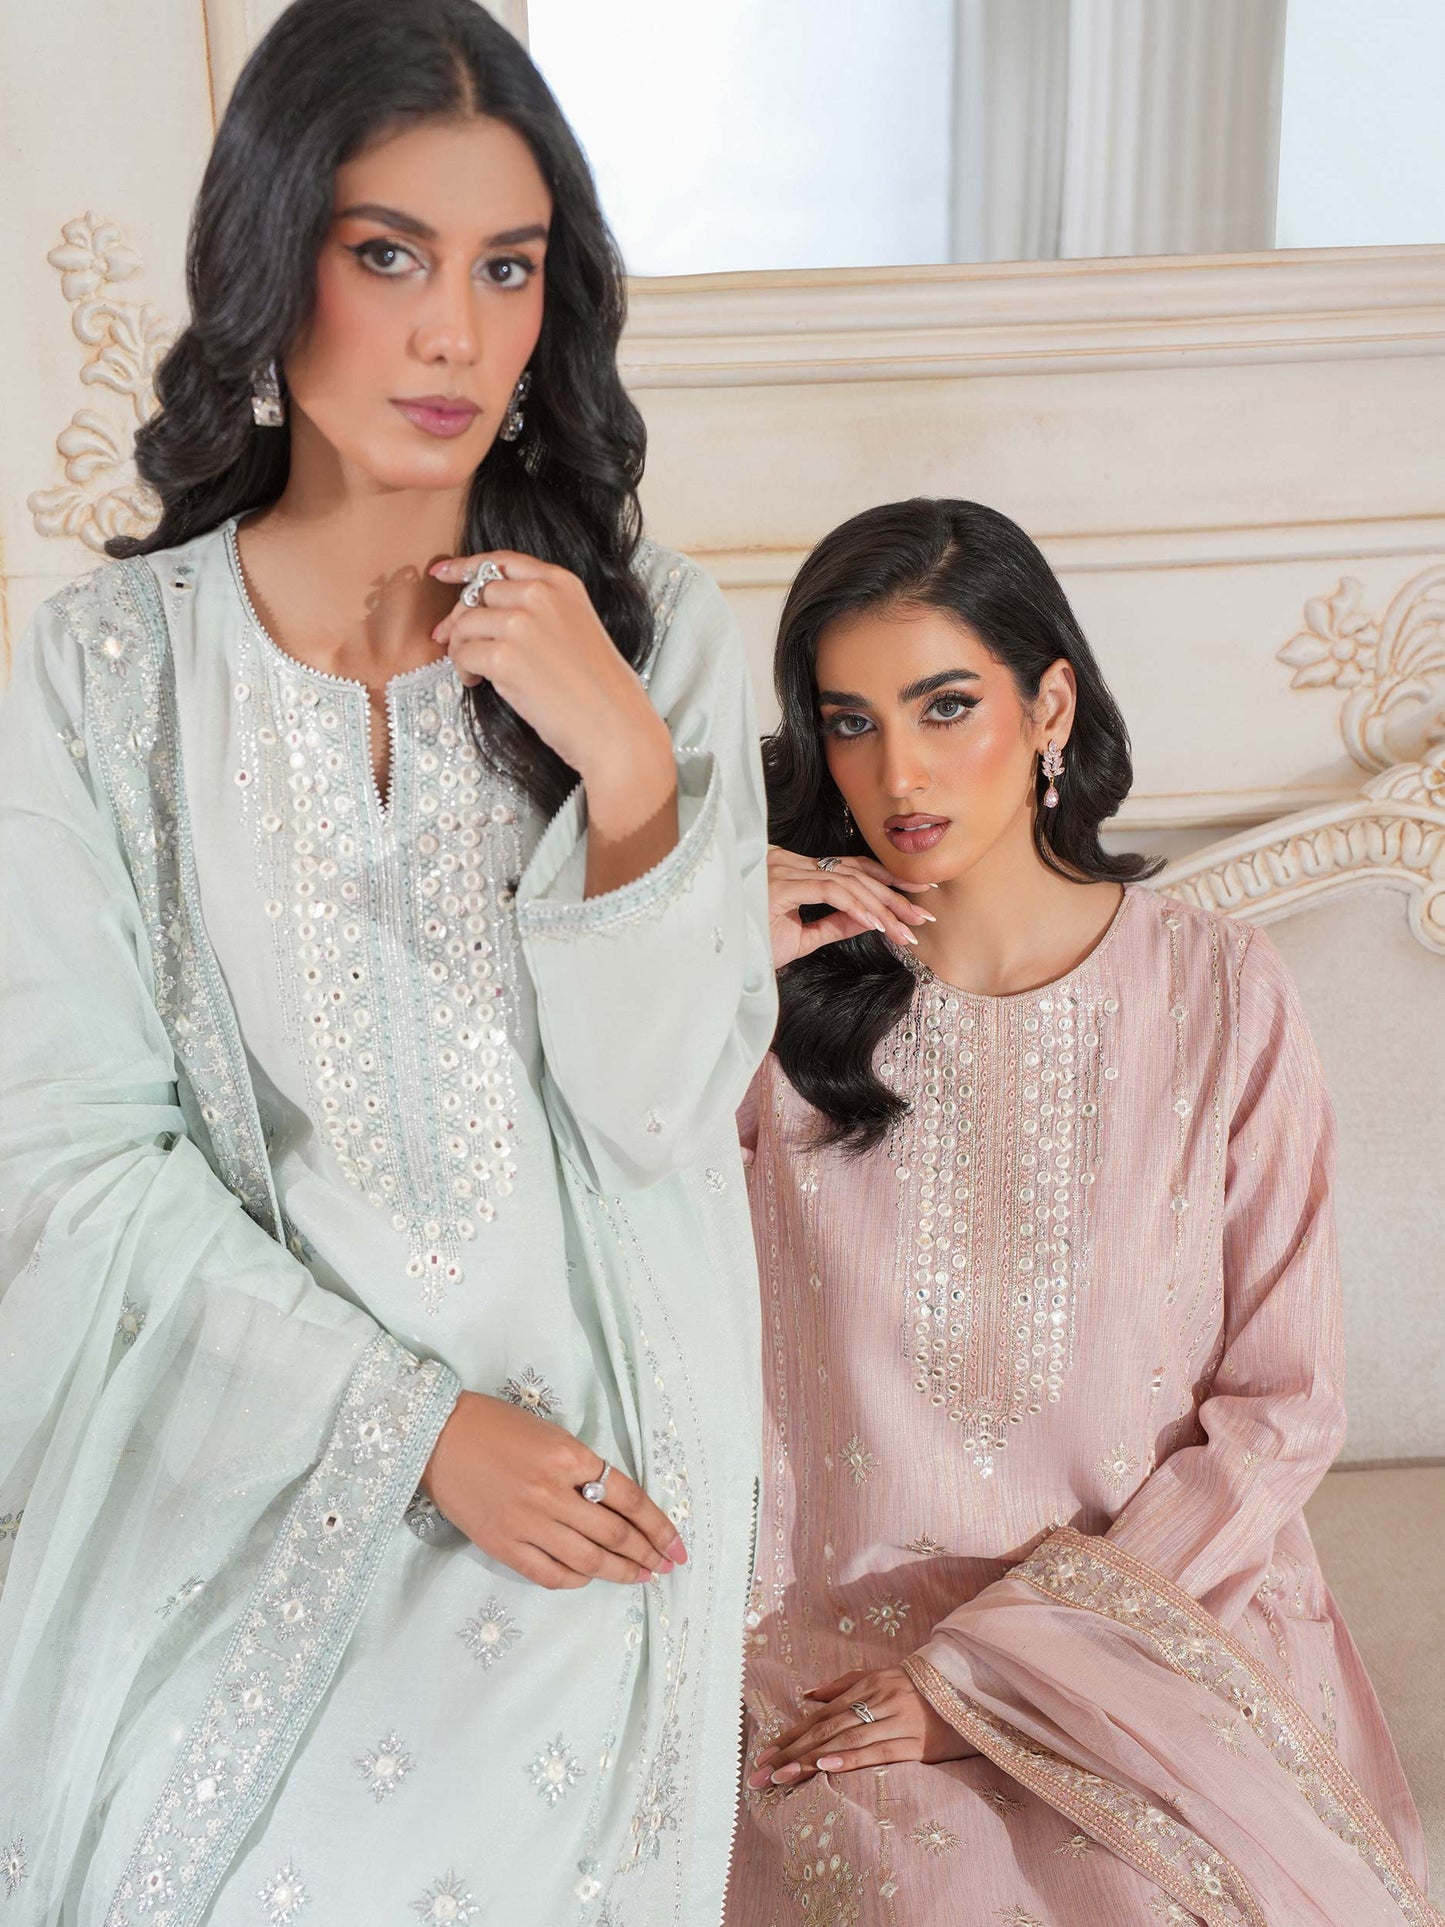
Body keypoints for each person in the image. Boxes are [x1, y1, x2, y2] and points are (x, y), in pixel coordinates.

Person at [0, 3, 772, 1920]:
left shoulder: (652, 637)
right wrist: (410, 1431)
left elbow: (661, 1119)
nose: (455, 336)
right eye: (390, 256)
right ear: (275, 264)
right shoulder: (102, 672)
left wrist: (629, 773)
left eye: (507, 267)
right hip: (240, 1468)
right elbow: (66, 1162)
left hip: (588, 1497)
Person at [727, 498, 1434, 1926]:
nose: (896, 772)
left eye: (945, 706)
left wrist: (989, 1676)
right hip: (832, 1652)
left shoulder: (1220, 992)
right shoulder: (769, 1005)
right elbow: (625, 1301)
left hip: (1152, 1635)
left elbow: (1281, 1408)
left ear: (1048, 704)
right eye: (850, 723)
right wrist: (704, 966)